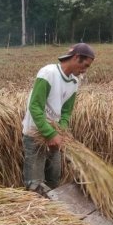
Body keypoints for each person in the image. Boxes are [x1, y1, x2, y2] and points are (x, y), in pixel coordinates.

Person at [22, 43, 95, 194]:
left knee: (54, 179)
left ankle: (54, 214)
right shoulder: (48, 73)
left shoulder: (74, 82)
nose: (84, 71)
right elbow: (35, 107)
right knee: (35, 184)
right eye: (85, 66)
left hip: (55, 135)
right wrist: (50, 134)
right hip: (35, 134)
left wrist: (61, 130)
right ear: (76, 58)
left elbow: (67, 111)